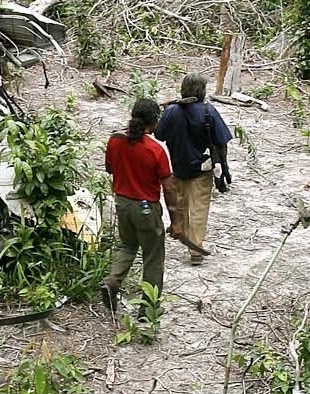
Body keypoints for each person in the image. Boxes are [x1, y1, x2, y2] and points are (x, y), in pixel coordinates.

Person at [100, 97, 174, 312]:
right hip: (146, 208)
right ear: (154, 122)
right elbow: (168, 187)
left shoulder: (115, 140)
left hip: (122, 203)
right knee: (152, 256)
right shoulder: (155, 150)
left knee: (127, 245)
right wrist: (175, 220)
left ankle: (112, 280)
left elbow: (110, 169)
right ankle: (149, 308)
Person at [154, 73, 233, 265]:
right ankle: (195, 248)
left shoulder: (172, 111)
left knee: (180, 205)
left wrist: (166, 109)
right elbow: (222, 142)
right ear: (202, 90)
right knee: (198, 209)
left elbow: (159, 135)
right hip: (202, 169)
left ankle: (183, 235)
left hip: (178, 167)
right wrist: (223, 166)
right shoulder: (208, 111)